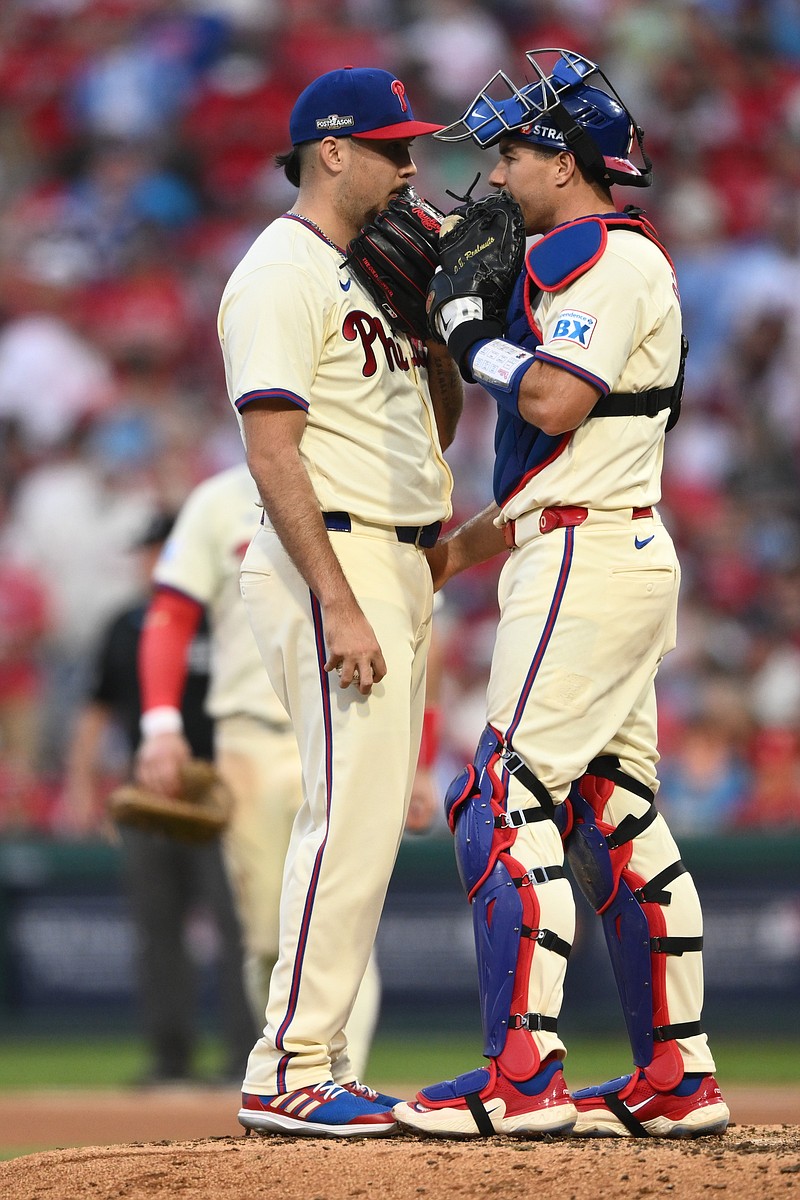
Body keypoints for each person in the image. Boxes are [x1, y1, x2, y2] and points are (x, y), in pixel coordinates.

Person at [393, 49, 730, 1140]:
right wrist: (455, 554)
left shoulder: (604, 259)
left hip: (588, 562)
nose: (494, 174)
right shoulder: (583, 261)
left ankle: (521, 1076)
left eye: (514, 152)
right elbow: (559, 476)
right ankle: (676, 1078)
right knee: (608, 812)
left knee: (498, 794)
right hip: (594, 543)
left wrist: (464, 333)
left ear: (569, 161)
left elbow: (552, 395)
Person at [217, 65, 462, 1136]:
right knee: (346, 820)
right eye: (390, 147)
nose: (410, 166)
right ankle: (290, 1067)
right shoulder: (280, 271)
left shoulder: (372, 271)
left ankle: (308, 1061)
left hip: (399, 558)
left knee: (364, 824)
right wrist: (338, 602)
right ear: (330, 150)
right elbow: (272, 454)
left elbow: (434, 432)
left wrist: (438, 327)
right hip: (336, 560)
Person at [134, 462, 438, 1080]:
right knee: (267, 940)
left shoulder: (356, 482)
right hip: (249, 738)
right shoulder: (217, 500)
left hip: (346, 715)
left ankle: (340, 1078)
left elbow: (412, 629)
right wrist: (160, 726)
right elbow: (170, 612)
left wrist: (420, 758)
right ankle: (293, 1074)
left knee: (342, 912)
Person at [62, 512, 256, 1085]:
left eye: (157, 549)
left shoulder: (229, 614)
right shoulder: (125, 624)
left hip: (225, 795)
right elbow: (95, 711)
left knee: (241, 932)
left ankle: (246, 1059)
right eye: (147, 552)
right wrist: (80, 787)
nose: (150, 561)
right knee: (157, 933)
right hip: (152, 796)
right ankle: (170, 1060)